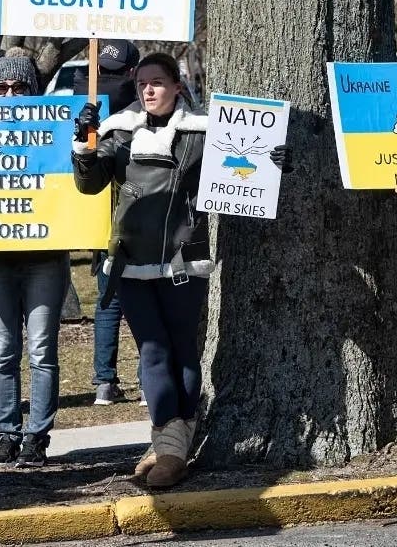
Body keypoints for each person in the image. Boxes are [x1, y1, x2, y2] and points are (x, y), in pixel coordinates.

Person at [72, 53, 291, 488]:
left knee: (182, 352)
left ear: (177, 86)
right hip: (130, 263)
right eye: (142, 85)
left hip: (182, 260)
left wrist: (273, 159)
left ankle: (171, 447)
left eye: (157, 82)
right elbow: (89, 183)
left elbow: (241, 165)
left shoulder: (202, 131)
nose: (148, 91)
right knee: (152, 354)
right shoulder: (119, 131)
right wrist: (85, 141)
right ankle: (169, 444)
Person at [0, 52, 71, 469]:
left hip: (44, 261)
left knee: (41, 350)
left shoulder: (57, 132)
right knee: (2, 352)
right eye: (2, 88)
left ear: (35, 93)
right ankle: (6, 435)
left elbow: (82, 174)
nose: (11, 96)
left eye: (20, 88)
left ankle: (37, 437)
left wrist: (85, 132)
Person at [72, 40, 142, 406]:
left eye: (113, 72)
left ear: (132, 72)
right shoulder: (86, 112)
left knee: (115, 300)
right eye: (101, 71)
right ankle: (107, 381)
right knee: (112, 300)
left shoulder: (136, 115)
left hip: (133, 221)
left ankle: (114, 381)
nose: (104, 78)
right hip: (103, 221)